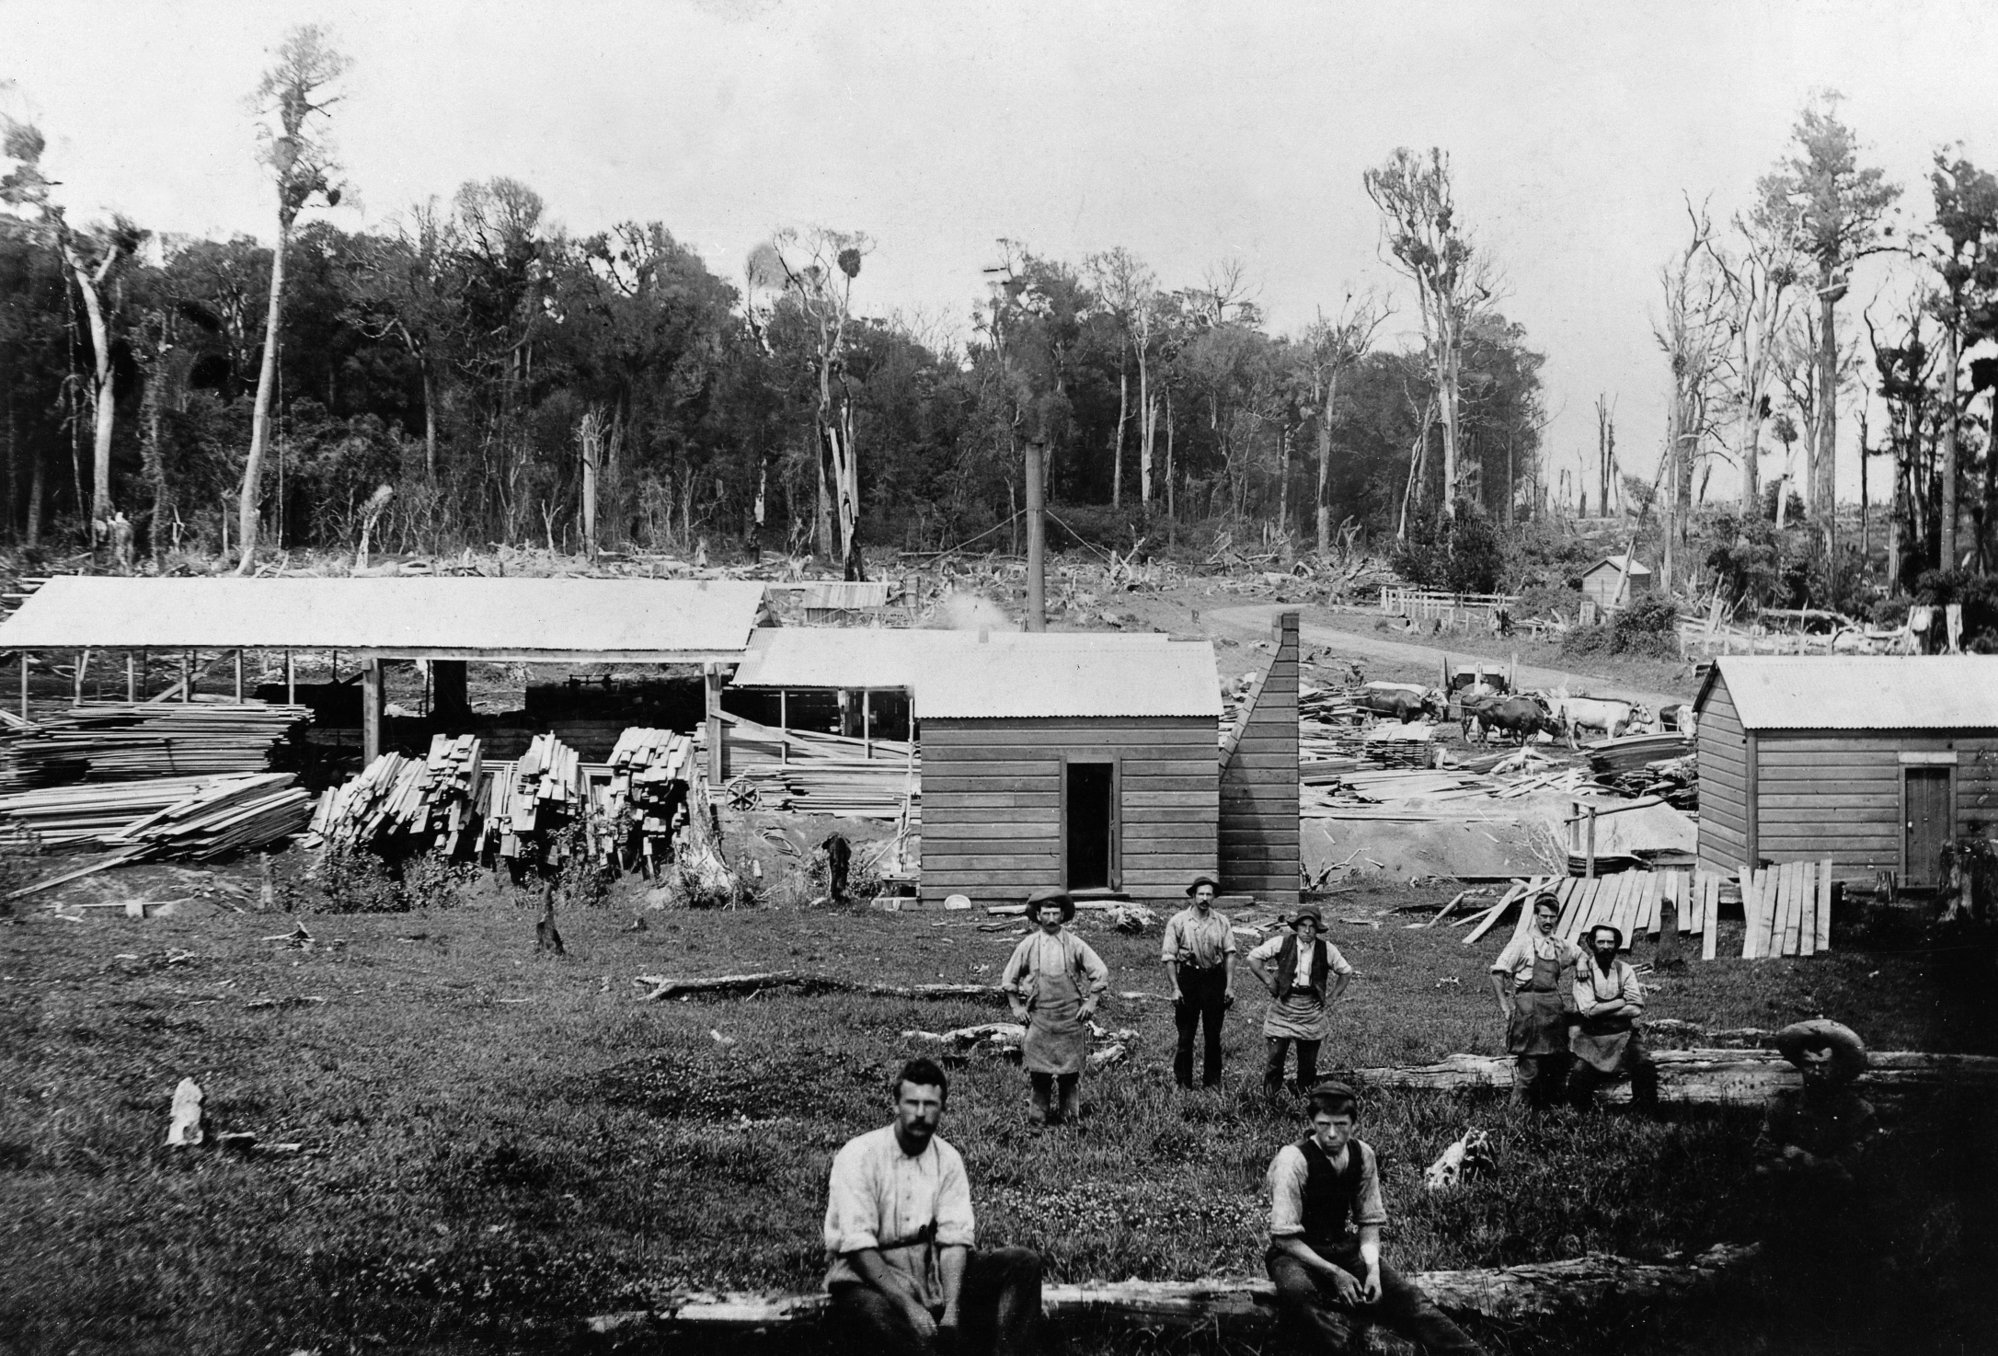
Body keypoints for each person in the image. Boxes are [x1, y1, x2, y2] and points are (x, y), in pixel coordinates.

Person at [824, 1058, 1042, 1356]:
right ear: (895, 1105)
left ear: (943, 1109)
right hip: (871, 1276)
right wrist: (908, 1306)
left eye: (930, 1105)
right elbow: (858, 1245)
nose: (920, 1113)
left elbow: (954, 1239)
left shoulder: (948, 1159)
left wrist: (952, 1307)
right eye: (912, 1103)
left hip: (932, 1271)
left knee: (1022, 1263)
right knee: (878, 1317)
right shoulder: (859, 1155)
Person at [1265, 1083, 1487, 1356]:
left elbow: (1368, 1222)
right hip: (1296, 1253)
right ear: (1312, 1122)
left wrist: (1373, 1272)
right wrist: (1336, 1274)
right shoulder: (1293, 1160)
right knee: (1301, 1297)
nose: (1332, 1133)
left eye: (1341, 1124)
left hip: (1342, 1247)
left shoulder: (1362, 1155)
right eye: (1323, 1124)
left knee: (1409, 1297)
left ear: (1354, 1124)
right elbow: (1284, 1237)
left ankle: (1470, 1352)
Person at [1000, 887, 1109, 1126]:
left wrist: (1091, 1002)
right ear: (1038, 915)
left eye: (1055, 913)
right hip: (1039, 1018)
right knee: (1040, 1075)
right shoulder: (1028, 945)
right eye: (1046, 913)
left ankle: (1070, 1121)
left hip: (1070, 1018)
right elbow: (1009, 978)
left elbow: (1099, 972)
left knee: (1069, 1075)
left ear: (1063, 915)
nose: (1051, 918)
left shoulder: (1074, 944)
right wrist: (1017, 1007)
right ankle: (1037, 1121)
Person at [1488, 892, 1586, 1109]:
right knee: (1530, 1068)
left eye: (1553, 917)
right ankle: (1515, 1116)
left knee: (1554, 1064)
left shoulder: (1558, 944)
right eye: (1544, 916)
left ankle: (1547, 1111)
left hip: (1553, 1010)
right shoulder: (1522, 943)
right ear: (1535, 915)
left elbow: (1581, 954)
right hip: (1529, 1009)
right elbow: (1497, 972)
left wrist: (1581, 963)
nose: (1548, 921)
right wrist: (1505, 1006)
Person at [1245, 905, 1355, 1100]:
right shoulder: (1281, 943)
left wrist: (1332, 997)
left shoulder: (1326, 949)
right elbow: (1253, 958)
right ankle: (1270, 1098)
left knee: (1308, 1062)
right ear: (1296, 927)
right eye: (1302, 925)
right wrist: (1269, 980)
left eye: (1311, 927)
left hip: (1310, 1008)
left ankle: (1304, 1098)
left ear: (1317, 929)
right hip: (1284, 1006)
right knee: (1275, 1057)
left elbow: (1346, 972)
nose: (1306, 930)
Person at [1757, 1019, 1879, 1183]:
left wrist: (1804, 1158)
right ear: (1800, 1066)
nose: (1815, 1072)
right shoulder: (1783, 1106)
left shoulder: (1858, 1111)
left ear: (1837, 1066)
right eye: (1808, 1064)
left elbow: (1851, 1169)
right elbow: (1762, 1159)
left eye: (1823, 1065)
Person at [1566, 925, 1658, 1112]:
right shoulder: (1583, 972)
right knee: (1580, 1074)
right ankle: (1582, 1116)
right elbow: (1588, 1011)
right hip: (1592, 1038)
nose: (1606, 947)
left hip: (1623, 1035)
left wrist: (1602, 1010)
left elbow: (1636, 1009)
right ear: (1592, 944)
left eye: (1610, 942)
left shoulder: (1625, 970)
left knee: (1644, 1065)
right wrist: (1621, 1002)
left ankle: (1643, 1112)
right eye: (1601, 942)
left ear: (1617, 945)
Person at [1161, 874, 1237, 1089]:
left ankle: (1212, 1084)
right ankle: (1183, 1083)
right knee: (1186, 1037)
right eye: (1200, 894)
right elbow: (1169, 957)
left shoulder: (1221, 921)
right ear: (1192, 897)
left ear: (1214, 898)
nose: (1205, 898)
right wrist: (1175, 988)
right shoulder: (1178, 922)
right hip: (1189, 979)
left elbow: (1230, 953)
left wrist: (1229, 986)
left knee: (1213, 1037)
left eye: (1209, 894)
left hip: (1214, 979)